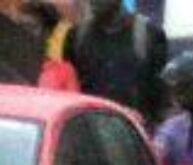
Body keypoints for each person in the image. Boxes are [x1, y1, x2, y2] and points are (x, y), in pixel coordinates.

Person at [64, 0, 167, 128]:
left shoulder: (150, 35)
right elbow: (68, 93)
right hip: (89, 133)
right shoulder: (76, 36)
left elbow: (161, 96)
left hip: (134, 133)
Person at [18, 0, 79, 91]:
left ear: (48, 35)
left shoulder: (63, 71)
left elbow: (74, 103)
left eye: (33, 28)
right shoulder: (5, 65)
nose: (26, 33)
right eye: (21, 27)